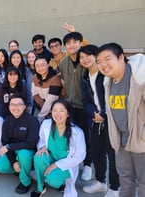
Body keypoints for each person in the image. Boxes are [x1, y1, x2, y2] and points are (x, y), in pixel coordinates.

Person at [97, 43, 145, 197]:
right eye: (99, 62)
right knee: (125, 179)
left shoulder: (139, 77)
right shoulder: (108, 82)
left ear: (121, 58)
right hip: (121, 141)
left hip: (141, 141)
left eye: (108, 59)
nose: (103, 65)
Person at [79, 45, 120, 196]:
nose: (85, 59)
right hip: (95, 120)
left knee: (113, 154)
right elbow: (86, 100)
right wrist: (94, 113)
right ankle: (101, 182)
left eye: (88, 56)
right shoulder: (84, 77)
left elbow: (114, 98)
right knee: (97, 152)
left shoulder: (107, 74)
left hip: (111, 120)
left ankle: (115, 188)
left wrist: (104, 114)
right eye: (82, 57)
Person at [31, 99, 86, 197]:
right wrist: (42, 146)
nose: (57, 114)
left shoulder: (77, 132)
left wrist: (56, 165)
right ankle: (40, 187)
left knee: (53, 179)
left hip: (66, 164)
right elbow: (42, 139)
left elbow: (79, 157)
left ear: (68, 114)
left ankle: (62, 183)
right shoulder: (46, 124)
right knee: (38, 157)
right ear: (51, 112)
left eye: (61, 110)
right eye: (55, 110)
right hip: (50, 157)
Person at [58, 31, 92, 181]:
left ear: (80, 43)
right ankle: (75, 162)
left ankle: (88, 165)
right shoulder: (63, 63)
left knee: (87, 136)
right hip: (69, 105)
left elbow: (92, 50)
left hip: (86, 106)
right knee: (71, 136)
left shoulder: (86, 60)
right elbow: (64, 82)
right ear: (65, 46)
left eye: (75, 42)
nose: (71, 45)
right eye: (68, 43)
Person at [0, 95, 39, 194]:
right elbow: (5, 142)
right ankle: (22, 169)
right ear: (9, 106)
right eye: (13, 104)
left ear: (24, 107)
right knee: (0, 167)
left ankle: (25, 182)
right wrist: (13, 162)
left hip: (27, 151)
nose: (16, 107)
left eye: (19, 104)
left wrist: (9, 147)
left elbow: (31, 143)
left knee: (23, 155)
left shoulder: (32, 121)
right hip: (13, 151)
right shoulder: (6, 121)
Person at [32, 56, 62, 122]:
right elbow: (34, 93)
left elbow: (51, 100)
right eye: (37, 66)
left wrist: (40, 116)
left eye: (42, 65)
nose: (40, 68)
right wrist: (41, 104)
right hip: (40, 105)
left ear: (48, 65)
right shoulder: (35, 77)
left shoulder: (55, 79)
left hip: (53, 108)